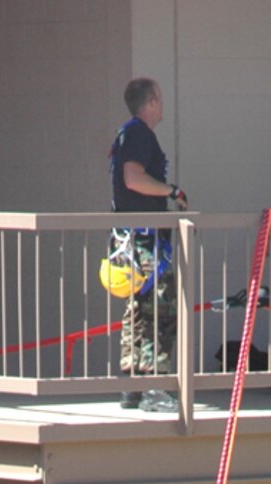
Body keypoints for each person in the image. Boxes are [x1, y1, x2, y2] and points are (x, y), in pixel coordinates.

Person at [109, 78, 189, 411]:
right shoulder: (139, 134)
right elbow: (133, 178)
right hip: (144, 242)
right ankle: (155, 387)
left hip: (129, 239)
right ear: (153, 100)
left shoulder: (127, 133)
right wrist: (172, 191)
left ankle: (133, 387)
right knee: (159, 310)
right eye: (161, 98)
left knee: (138, 311)